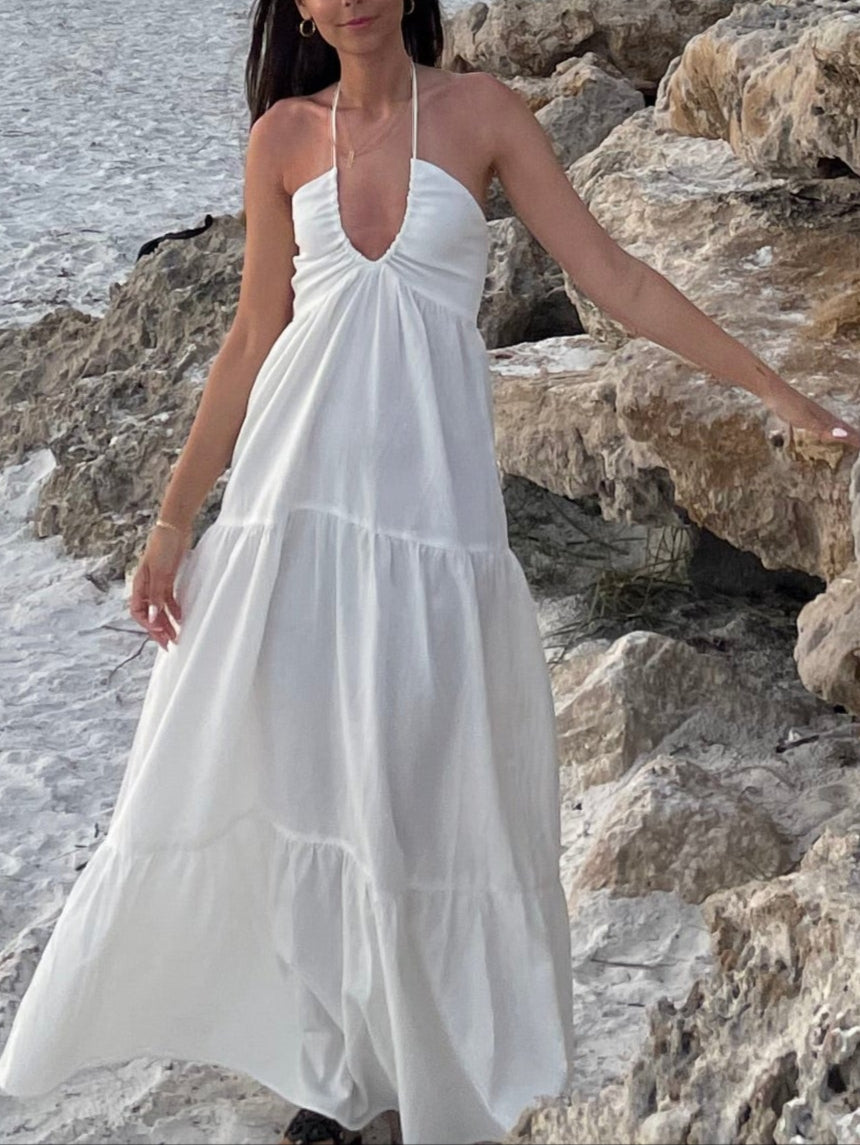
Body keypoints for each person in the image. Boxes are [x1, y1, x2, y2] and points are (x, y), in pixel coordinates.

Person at [1, 2, 858, 1145]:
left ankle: (413, 1071)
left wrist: (775, 390)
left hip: (432, 521)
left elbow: (614, 277)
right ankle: (333, 1075)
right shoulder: (282, 137)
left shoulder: (482, 113)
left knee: (411, 789)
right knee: (303, 781)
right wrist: (169, 519)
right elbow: (252, 337)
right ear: (302, 8)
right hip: (292, 507)